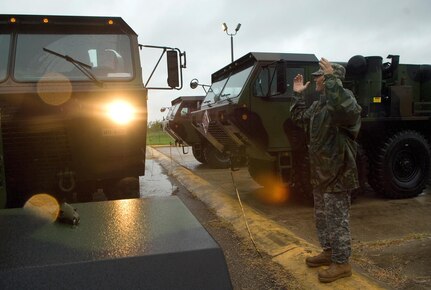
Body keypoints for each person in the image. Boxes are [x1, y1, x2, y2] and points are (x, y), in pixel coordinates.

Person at [290, 58, 362, 283]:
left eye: (320, 75)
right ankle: (329, 252)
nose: (315, 79)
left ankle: (342, 263)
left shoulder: (344, 99)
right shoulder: (320, 104)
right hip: (320, 173)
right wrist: (298, 95)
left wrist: (331, 79)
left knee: (337, 220)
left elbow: (346, 111)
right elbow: (299, 119)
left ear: (333, 78)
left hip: (337, 172)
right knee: (322, 217)